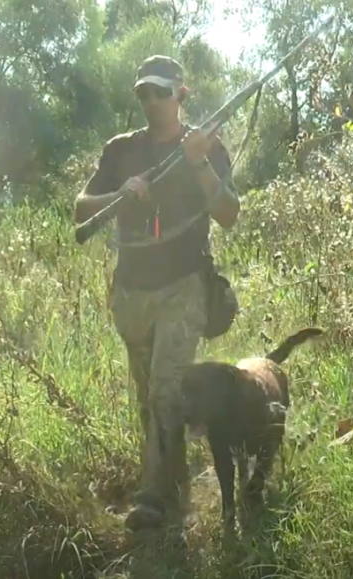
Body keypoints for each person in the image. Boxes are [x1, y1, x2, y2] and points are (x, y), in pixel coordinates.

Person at [73, 55, 240, 534]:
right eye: (143, 93)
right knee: (149, 394)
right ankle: (176, 482)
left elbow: (228, 213)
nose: (151, 101)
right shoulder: (120, 150)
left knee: (167, 389)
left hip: (185, 286)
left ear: (181, 94)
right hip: (133, 291)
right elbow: (80, 208)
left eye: (160, 92)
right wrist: (121, 193)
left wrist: (199, 163)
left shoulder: (206, 147)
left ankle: (152, 497)